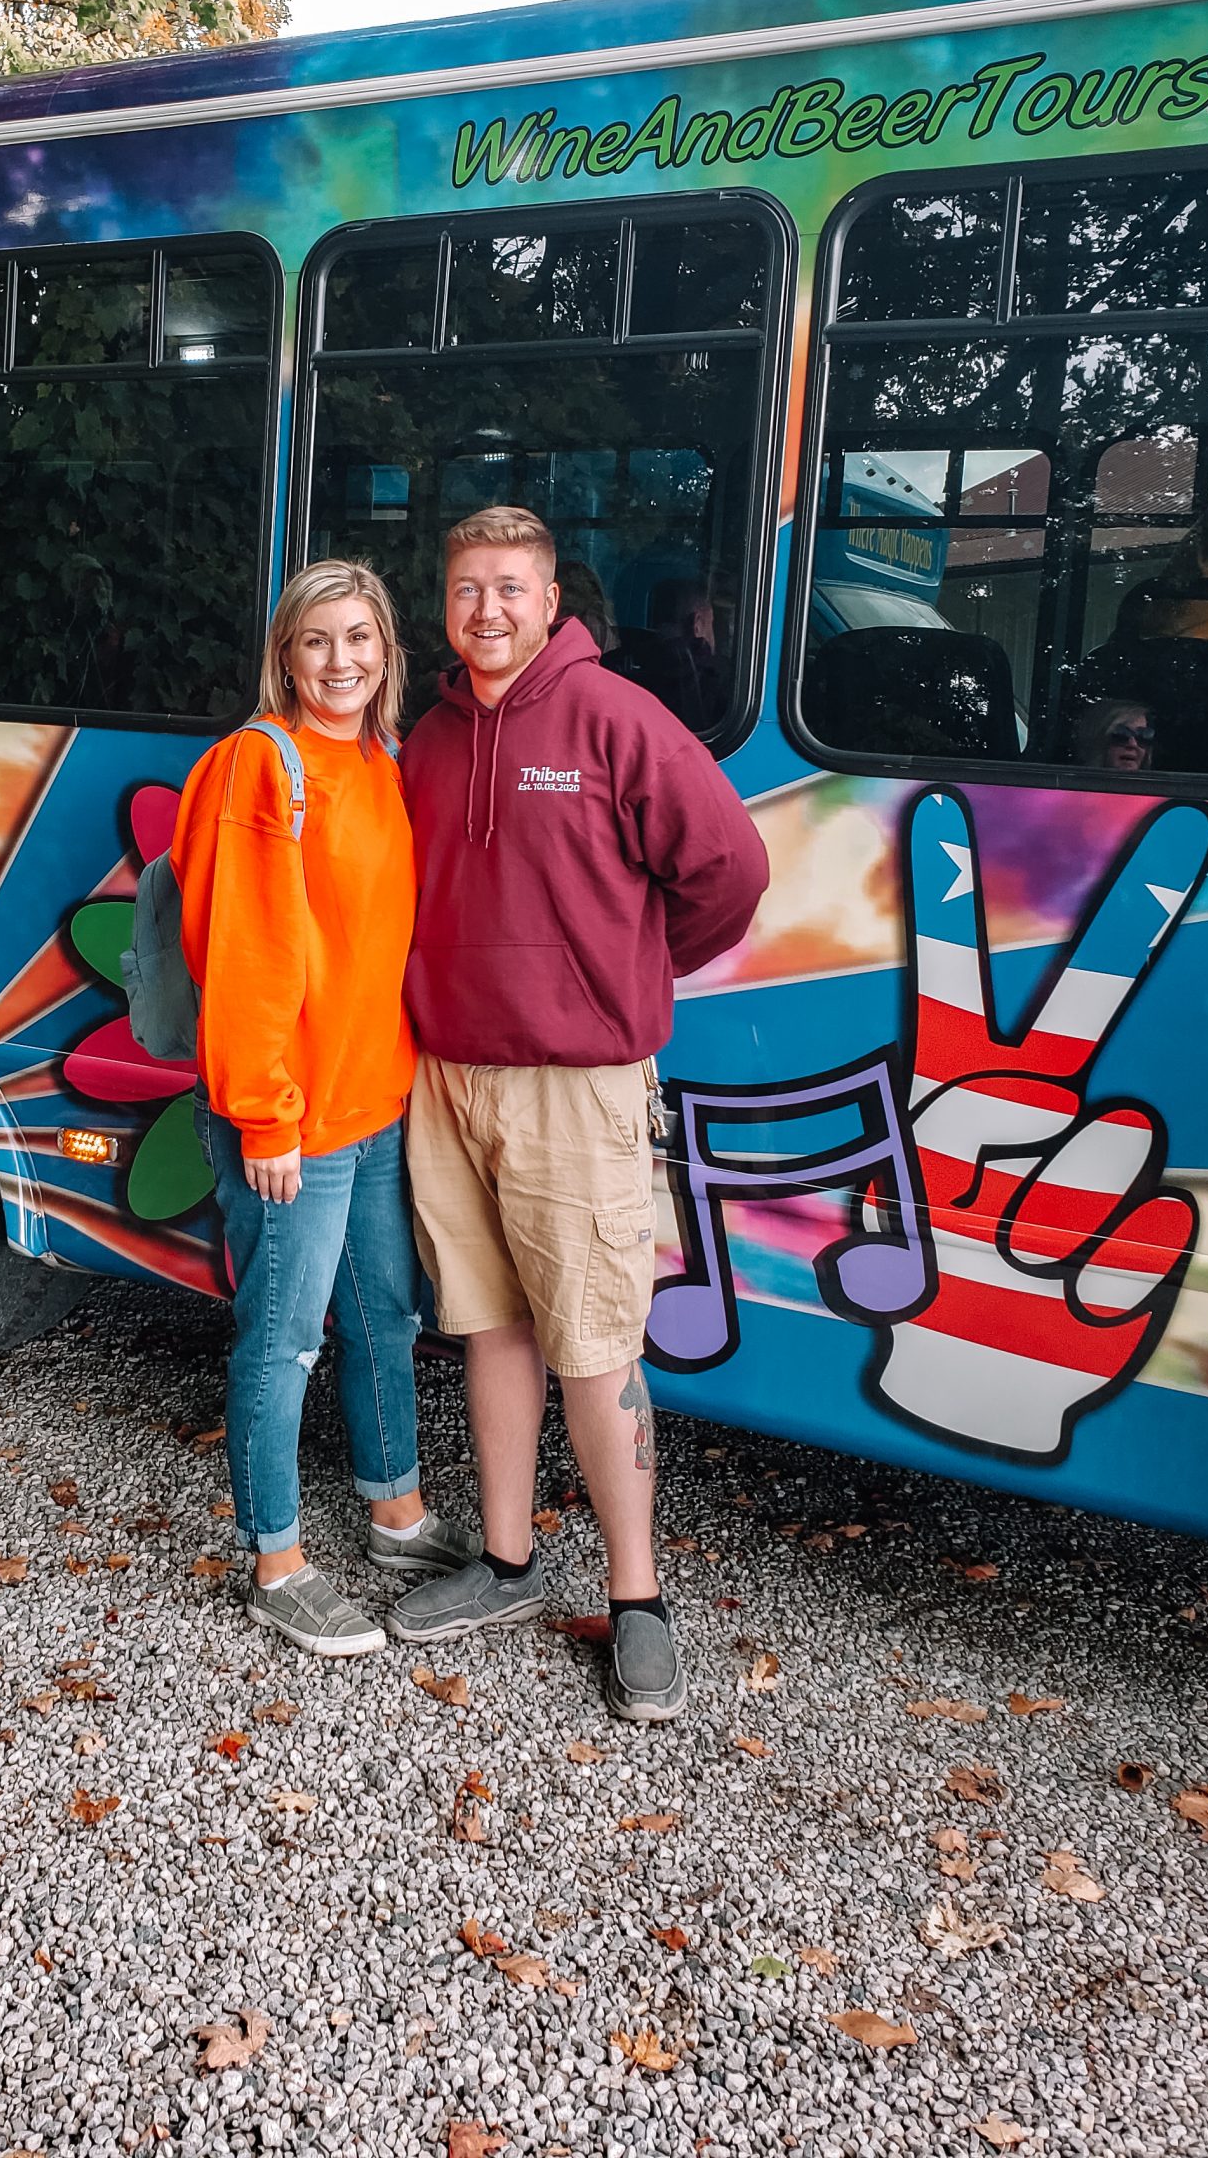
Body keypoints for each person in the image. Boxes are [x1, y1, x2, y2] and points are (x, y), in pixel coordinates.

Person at [388, 506, 768, 1722]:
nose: (486, 609)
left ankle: (639, 1601)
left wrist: (625, 972)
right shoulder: (428, 738)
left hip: (575, 1083)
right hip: (445, 1077)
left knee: (597, 1342)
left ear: (552, 603)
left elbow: (731, 872)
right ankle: (506, 1563)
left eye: (510, 587)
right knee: (490, 1327)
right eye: (465, 588)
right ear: (442, 604)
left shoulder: (614, 717)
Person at [170, 559, 479, 1659]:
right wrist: (264, 1114)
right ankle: (278, 1562)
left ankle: (394, 1511)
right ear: (284, 657)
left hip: (374, 1107)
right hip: (292, 1121)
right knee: (284, 1339)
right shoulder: (264, 765)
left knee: (384, 1318)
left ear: (387, 652)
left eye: (359, 638)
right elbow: (247, 955)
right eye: (316, 642)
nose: (340, 660)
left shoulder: (383, 760)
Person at [1072, 695, 1156, 774]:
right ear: (1098, 740)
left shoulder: (1156, 788)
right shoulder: (1071, 786)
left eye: (1143, 735)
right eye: (1121, 734)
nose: (1133, 744)